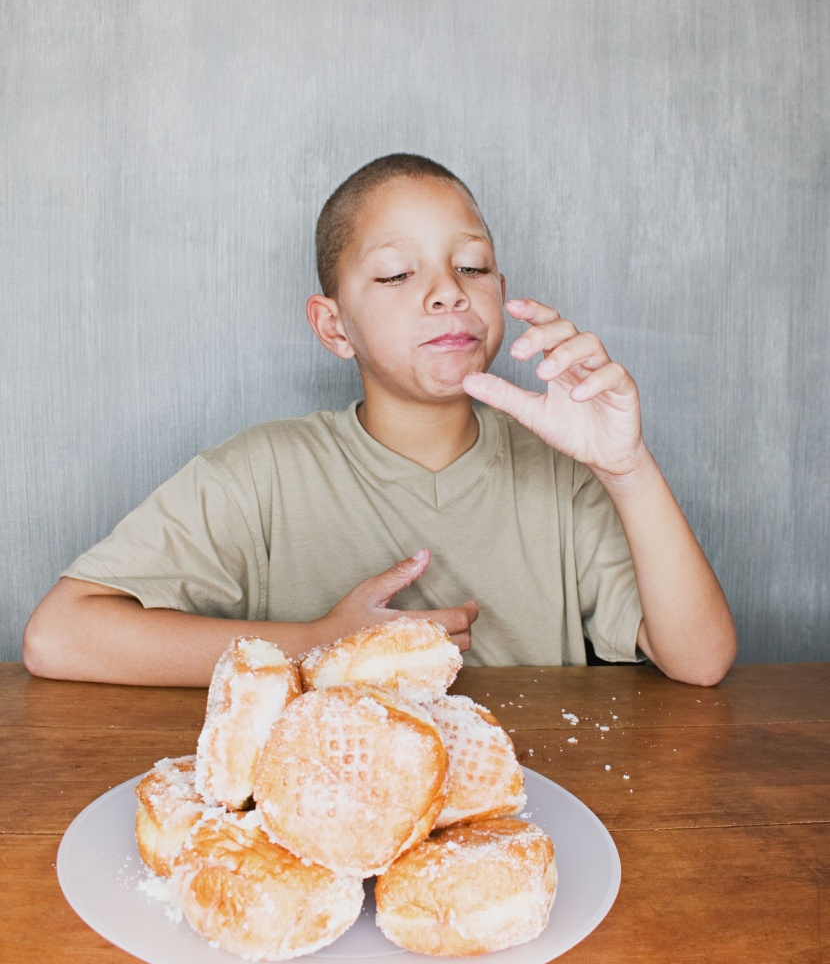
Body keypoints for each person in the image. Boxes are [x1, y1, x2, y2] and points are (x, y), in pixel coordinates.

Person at [23, 154, 737, 687]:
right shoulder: (262, 472)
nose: (446, 294)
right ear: (334, 326)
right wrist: (318, 641)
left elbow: (701, 662)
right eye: (398, 274)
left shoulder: (564, 474)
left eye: (473, 267)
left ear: (502, 293)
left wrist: (626, 467)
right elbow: (57, 636)